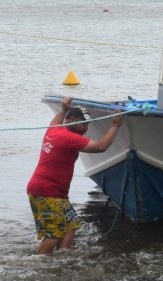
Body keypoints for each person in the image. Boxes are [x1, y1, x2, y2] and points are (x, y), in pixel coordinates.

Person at [27, 97, 123, 255]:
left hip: (53, 192)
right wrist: (115, 125)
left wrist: (64, 108)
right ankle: (38, 266)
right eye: (83, 124)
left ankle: (62, 256)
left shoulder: (55, 128)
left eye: (88, 124)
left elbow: (59, 118)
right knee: (53, 233)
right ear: (71, 120)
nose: (86, 128)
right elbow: (101, 146)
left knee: (71, 224)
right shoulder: (68, 138)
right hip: (46, 191)